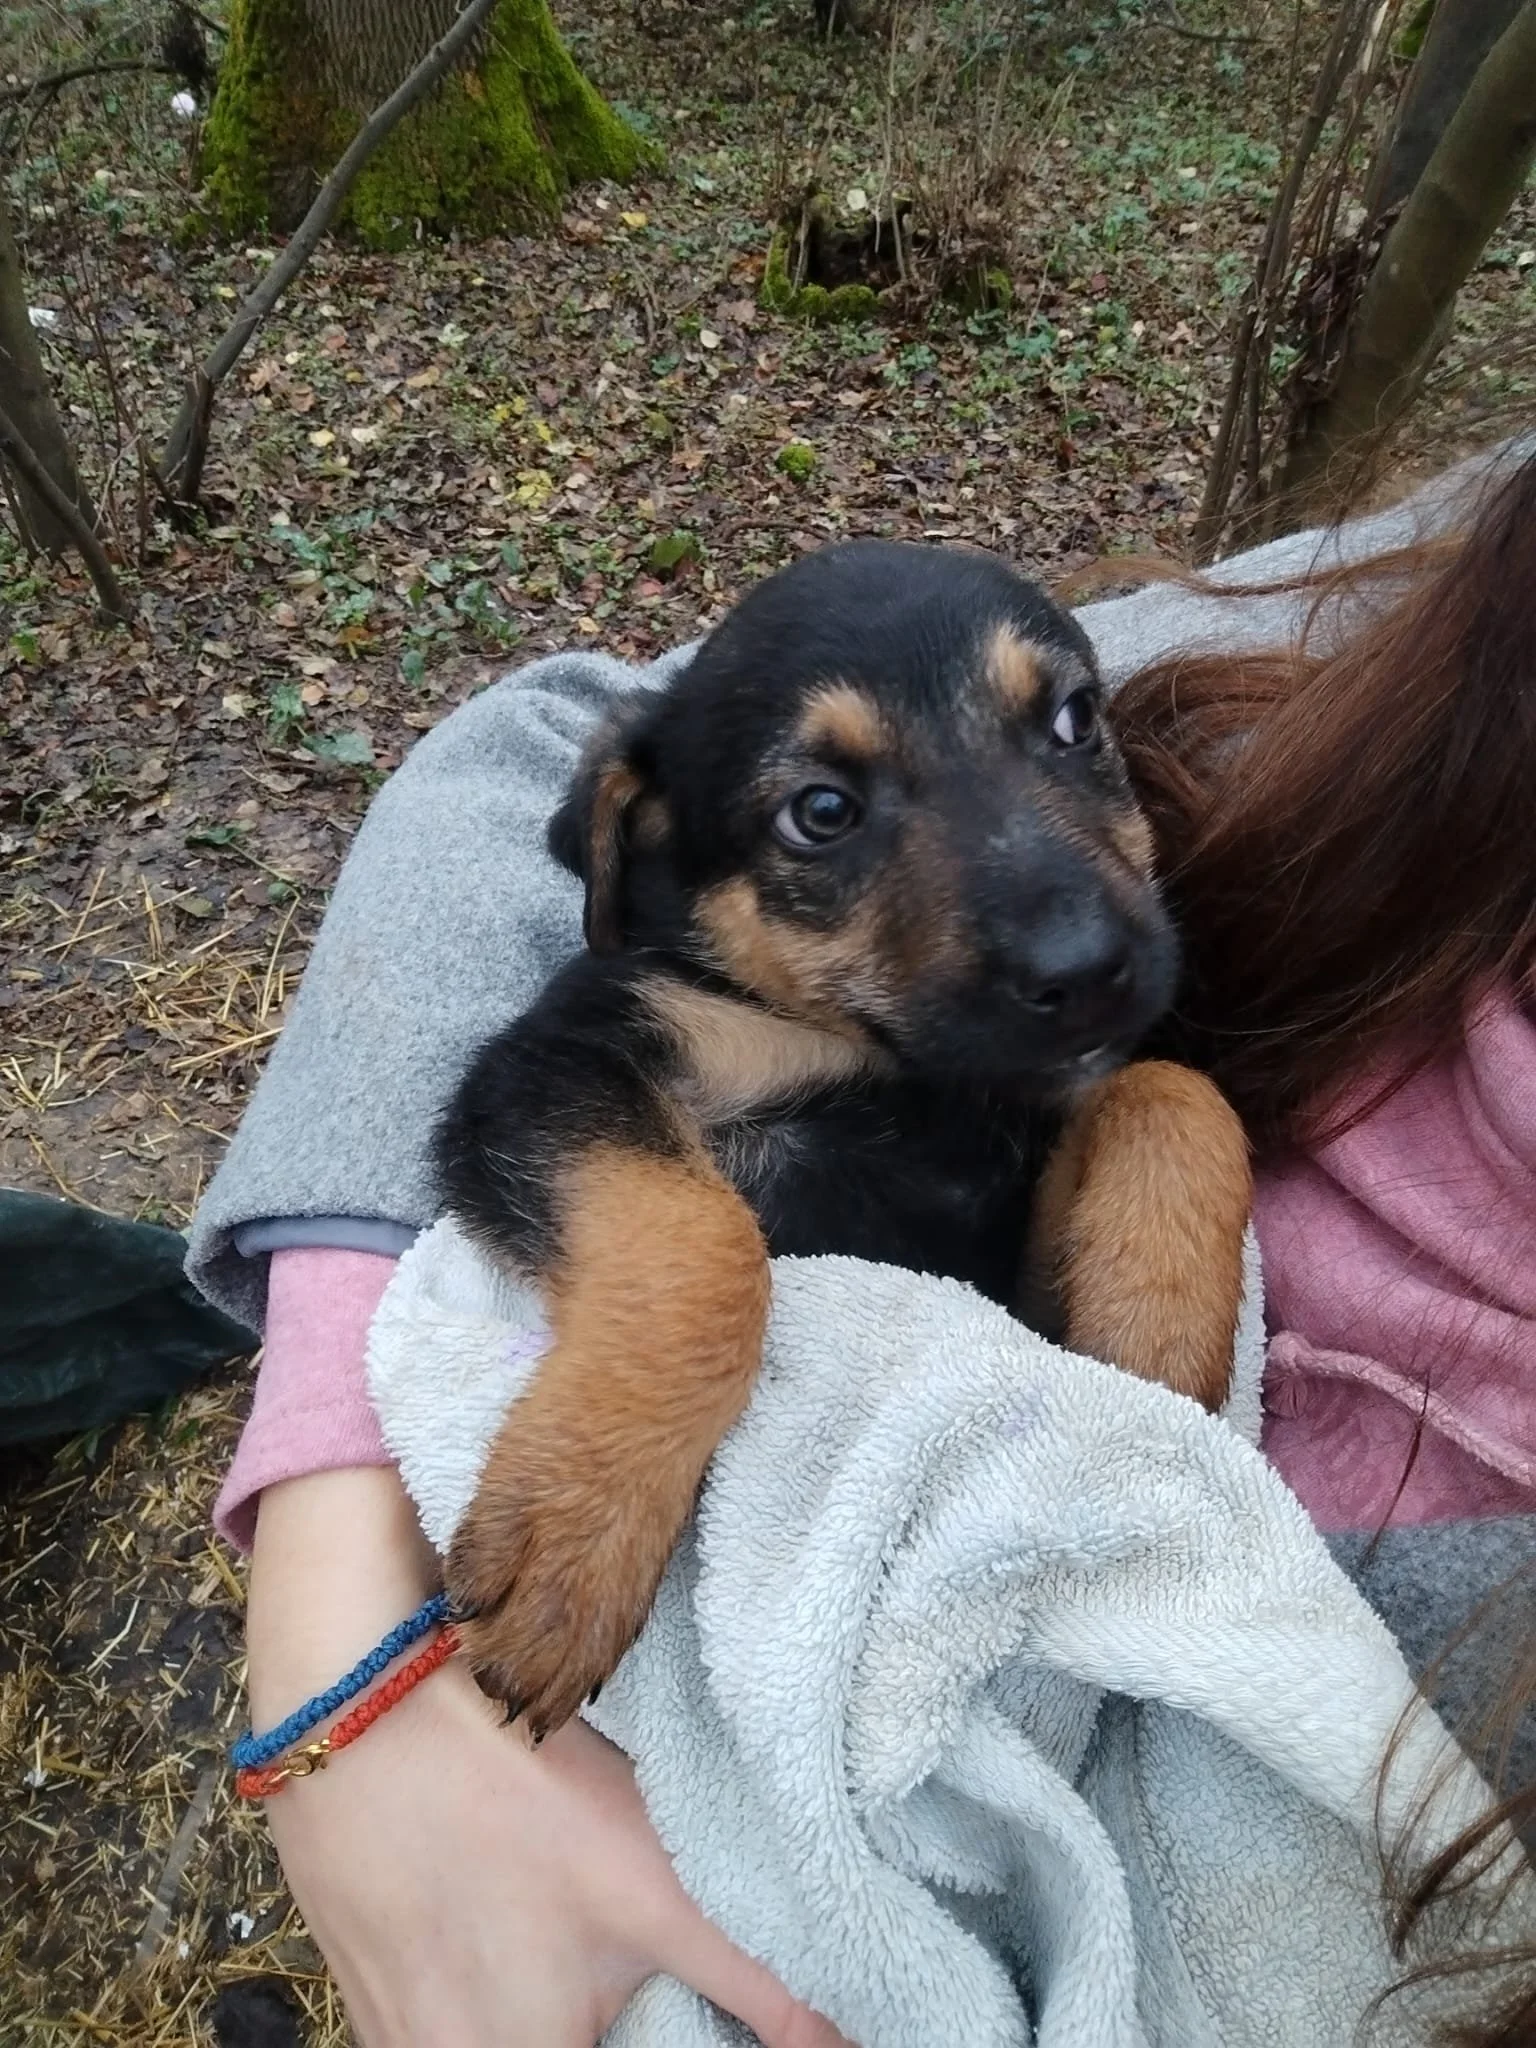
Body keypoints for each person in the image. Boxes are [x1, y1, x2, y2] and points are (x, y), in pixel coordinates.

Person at [189, 441, 1535, 2046]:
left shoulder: (1096, 1081)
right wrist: (338, 1607)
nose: (1055, 911)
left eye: (1064, 727)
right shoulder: (714, 1008)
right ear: (662, 857)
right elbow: (528, 1100)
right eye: (829, 815)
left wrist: (1167, 1129)